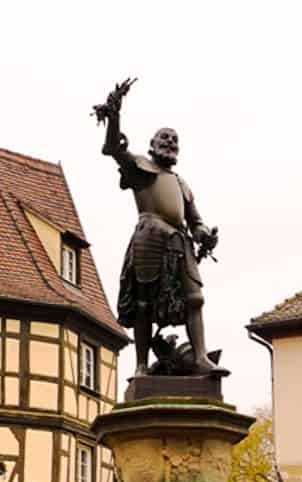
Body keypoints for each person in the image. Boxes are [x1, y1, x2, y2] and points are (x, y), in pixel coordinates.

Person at [94, 79, 225, 377]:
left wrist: (205, 235)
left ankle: (201, 357)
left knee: (195, 298)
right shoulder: (141, 167)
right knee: (144, 305)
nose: (169, 142)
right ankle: (141, 365)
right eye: (163, 138)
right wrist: (114, 115)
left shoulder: (181, 183)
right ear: (151, 146)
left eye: (174, 139)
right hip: (150, 237)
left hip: (180, 242)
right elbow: (113, 148)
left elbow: (195, 220)